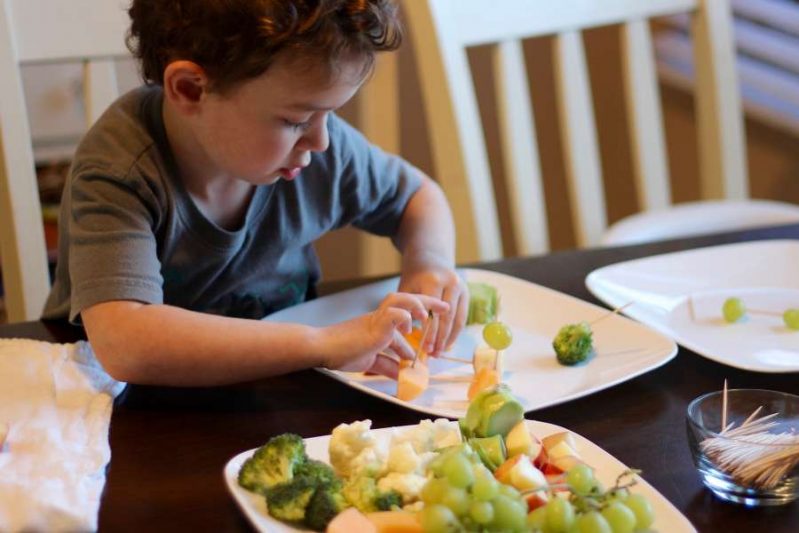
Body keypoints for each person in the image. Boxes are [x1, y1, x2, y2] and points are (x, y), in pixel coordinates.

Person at [41, 0, 468, 386]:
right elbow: (125, 342)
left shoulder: (318, 149)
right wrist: (323, 344)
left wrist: (428, 264)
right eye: (296, 120)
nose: (321, 142)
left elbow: (416, 196)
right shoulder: (121, 171)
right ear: (191, 89)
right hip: (122, 416)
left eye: (329, 114)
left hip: (277, 391)